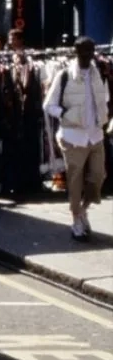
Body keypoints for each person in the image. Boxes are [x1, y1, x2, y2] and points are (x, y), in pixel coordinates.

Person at [43, 36, 110, 240]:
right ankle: (76, 221)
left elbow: (105, 97)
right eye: (84, 52)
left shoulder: (97, 73)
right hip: (73, 137)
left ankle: (83, 210)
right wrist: (66, 114)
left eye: (91, 51)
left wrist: (103, 115)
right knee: (75, 182)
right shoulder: (64, 75)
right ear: (76, 52)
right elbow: (48, 105)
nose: (88, 56)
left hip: (95, 135)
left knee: (99, 176)